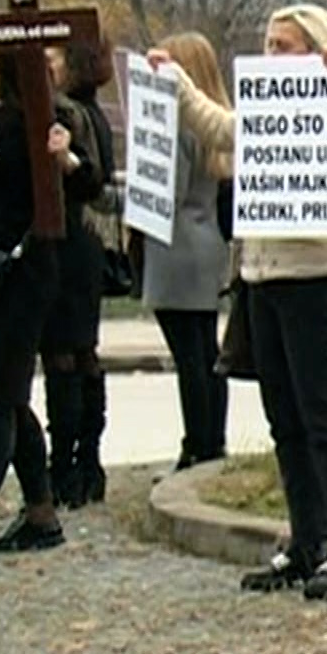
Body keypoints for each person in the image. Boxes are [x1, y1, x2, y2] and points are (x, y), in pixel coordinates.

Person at [147, 5, 327, 601]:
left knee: (325, 415)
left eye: (286, 46)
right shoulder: (264, 115)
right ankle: (306, 540)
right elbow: (219, 127)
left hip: (316, 274)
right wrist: (180, 83)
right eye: (268, 45)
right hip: (263, 277)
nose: (273, 55)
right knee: (286, 422)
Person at [0, 52, 96, 560]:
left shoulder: (43, 118)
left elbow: (89, 184)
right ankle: (41, 512)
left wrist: (66, 157)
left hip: (23, 271)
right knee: (3, 395)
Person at [139, 32, 234, 473]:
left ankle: (195, 445)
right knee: (207, 353)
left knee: (189, 358)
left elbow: (164, 194)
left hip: (175, 247)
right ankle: (213, 441)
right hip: (208, 240)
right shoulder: (216, 124)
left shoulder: (176, 127)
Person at [40, 37, 120, 507]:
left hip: (69, 242)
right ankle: (88, 461)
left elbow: (91, 181)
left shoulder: (69, 114)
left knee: (62, 357)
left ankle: (66, 466)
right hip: (85, 245)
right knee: (83, 354)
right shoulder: (96, 115)